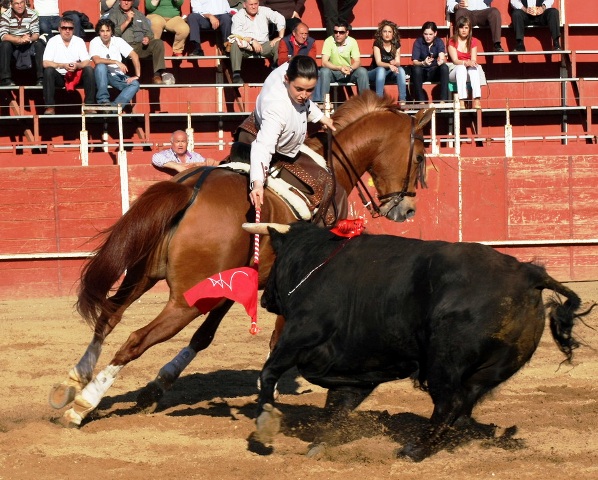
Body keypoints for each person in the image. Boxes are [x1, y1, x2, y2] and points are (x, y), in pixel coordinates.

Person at [248, 55, 335, 208]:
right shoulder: (276, 108)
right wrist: (257, 183)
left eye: (310, 90)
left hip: (285, 145)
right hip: (265, 144)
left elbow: (306, 103)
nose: (304, 95)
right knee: (315, 190)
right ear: (286, 79)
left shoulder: (296, 71)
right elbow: (263, 147)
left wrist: (321, 117)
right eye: (299, 89)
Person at [41, 16, 96, 115]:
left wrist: (77, 65)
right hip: (59, 75)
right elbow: (45, 63)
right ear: (59, 29)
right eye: (64, 28)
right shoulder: (52, 41)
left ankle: (89, 105)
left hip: (75, 75)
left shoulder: (79, 41)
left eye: (70, 28)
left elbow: (87, 61)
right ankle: (50, 107)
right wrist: (62, 65)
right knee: (48, 70)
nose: (67, 31)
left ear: (73, 30)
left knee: (89, 69)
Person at [109, 0, 167, 84]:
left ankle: (157, 75)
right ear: (119, 1)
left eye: (128, 1)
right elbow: (113, 33)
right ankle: (122, 78)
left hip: (140, 46)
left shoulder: (139, 14)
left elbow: (149, 32)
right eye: (123, 0)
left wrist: (147, 38)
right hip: (124, 47)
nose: (126, 3)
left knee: (158, 43)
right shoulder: (114, 14)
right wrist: (127, 21)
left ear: (132, 2)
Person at [90, 18, 140, 111]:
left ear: (112, 31)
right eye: (102, 31)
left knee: (135, 84)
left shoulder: (118, 41)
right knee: (101, 66)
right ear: (99, 32)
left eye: (108, 31)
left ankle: (114, 108)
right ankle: (103, 101)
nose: (105, 34)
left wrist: (137, 75)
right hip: (102, 75)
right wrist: (116, 61)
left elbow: (134, 55)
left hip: (117, 75)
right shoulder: (95, 41)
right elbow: (96, 60)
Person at [229, 0, 285, 84]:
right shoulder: (238, 16)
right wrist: (251, 40)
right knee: (235, 43)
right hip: (246, 46)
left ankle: (276, 71)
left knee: (280, 43)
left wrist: (280, 36)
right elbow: (236, 32)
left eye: (256, 4)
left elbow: (279, 17)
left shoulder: (264, 10)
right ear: (244, 5)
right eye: (251, 4)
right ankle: (236, 75)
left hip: (264, 45)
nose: (254, 7)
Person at [313, 20, 369, 103]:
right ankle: (323, 104)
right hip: (333, 72)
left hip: (348, 72)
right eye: (335, 32)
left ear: (347, 33)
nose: (338, 35)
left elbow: (358, 61)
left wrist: (350, 68)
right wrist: (339, 68)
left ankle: (366, 103)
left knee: (362, 71)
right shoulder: (329, 40)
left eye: (341, 32)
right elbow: (324, 62)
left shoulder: (352, 41)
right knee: (324, 71)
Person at [0, 0, 44, 86]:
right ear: (11, 5)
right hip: (13, 44)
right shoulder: (5, 15)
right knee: (4, 44)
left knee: (39, 44)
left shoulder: (32, 13)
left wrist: (29, 39)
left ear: (25, 3)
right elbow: (3, 36)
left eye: (22, 3)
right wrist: (19, 40)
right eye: (16, 3)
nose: (20, 6)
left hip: (28, 43)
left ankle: (41, 79)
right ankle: (6, 79)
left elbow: (36, 33)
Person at [367, 19, 406, 107]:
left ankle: (403, 100)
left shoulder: (396, 45)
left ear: (393, 34)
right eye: (385, 31)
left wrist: (395, 62)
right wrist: (389, 65)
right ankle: (379, 100)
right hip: (375, 72)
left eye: (389, 32)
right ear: (381, 33)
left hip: (389, 73)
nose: (387, 34)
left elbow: (398, 63)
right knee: (381, 70)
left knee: (401, 70)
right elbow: (378, 62)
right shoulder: (377, 44)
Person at [447, 15, 482, 109]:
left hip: (468, 71)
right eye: (461, 27)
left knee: (474, 69)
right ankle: (461, 100)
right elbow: (455, 60)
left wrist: (472, 63)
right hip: (454, 71)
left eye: (466, 27)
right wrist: (466, 62)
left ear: (469, 29)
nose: (464, 30)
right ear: (457, 28)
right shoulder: (452, 41)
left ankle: (477, 99)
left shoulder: (473, 41)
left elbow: (474, 59)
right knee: (461, 68)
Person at [411, 20, 449, 104]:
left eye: (430, 34)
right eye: (426, 34)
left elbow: (441, 55)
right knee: (416, 69)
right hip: (422, 72)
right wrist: (423, 63)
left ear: (435, 34)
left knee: (444, 67)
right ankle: (421, 101)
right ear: (423, 34)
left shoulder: (439, 42)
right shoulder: (418, 42)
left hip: (434, 71)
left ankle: (443, 100)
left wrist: (441, 61)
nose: (428, 37)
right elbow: (415, 61)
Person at [152, 130, 218, 172]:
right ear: (172, 143)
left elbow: (205, 162)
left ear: (187, 143)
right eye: (177, 142)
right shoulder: (166, 154)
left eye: (183, 141)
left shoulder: (195, 156)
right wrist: (176, 166)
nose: (180, 145)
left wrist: (208, 161)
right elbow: (155, 158)